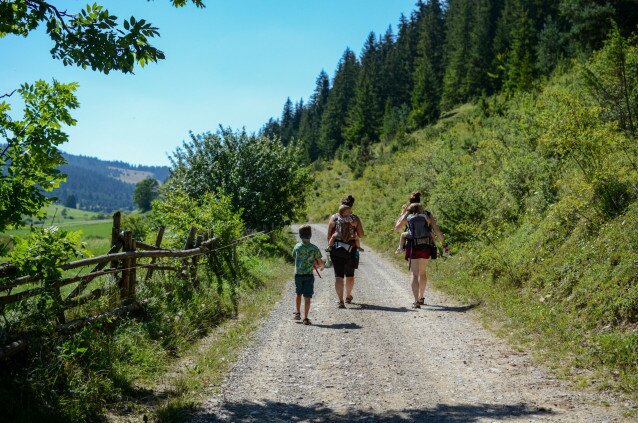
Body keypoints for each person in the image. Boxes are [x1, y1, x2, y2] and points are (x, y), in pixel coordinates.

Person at [394, 202, 446, 308]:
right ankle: (421, 297)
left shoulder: (408, 216)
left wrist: (403, 214)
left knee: (414, 274)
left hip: (413, 246)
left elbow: (397, 228)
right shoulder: (426, 215)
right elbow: (436, 230)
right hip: (425, 246)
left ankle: (416, 301)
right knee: (422, 273)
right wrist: (444, 244)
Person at [327, 195, 364, 308]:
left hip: (337, 249)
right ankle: (348, 296)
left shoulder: (334, 218)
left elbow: (329, 235)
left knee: (338, 275)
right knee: (350, 274)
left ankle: (340, 301)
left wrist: (331, 244)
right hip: (351, 249)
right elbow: (361, 234)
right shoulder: (354, 218)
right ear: (351, 206)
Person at [292, 224, 324, 325]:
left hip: (298, 274)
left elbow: (294, 256)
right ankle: (305, 318)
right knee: (307, 297)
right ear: (310, 235)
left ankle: (297, 313)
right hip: (309, 275)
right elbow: (320, 262)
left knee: (298, 294)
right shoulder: (314, 248)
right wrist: (321, 266)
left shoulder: (297, 247)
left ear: (300, 235)